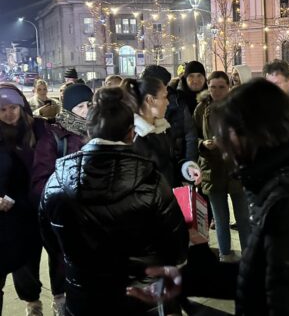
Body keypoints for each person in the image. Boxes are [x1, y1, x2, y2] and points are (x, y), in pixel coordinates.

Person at [127, 78, 289, 315]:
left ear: (251, 134)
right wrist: (188, 280)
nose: (225, 151)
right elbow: (262, 278)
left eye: (226, 137)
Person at [39, 87, 189, 316]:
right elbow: (176, 247)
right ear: (131, 133)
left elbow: (51, 241)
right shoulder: (151, 180)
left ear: (88, 130)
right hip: (140, 299)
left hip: (83, 300)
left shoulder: (57, 180)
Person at [28, 83, 94, 315]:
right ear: (67, 109)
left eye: (89, 104)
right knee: (61, 261)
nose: (86, 110)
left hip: (91, 216)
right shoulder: (53, 136)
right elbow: (40, 182)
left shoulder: (97, 131)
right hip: (64, 215)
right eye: (80, 106)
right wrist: (64, 199)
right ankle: (59, 299)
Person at [0, 84, 47, 316]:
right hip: (6, 211)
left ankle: (36, 303)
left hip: (33, 208)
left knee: (30, 262)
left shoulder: (37, 128)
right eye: (2, 110)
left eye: (13, 108)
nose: (9, 114)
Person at [194, 71, 250, 262]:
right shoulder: (201, 108)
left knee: (243, 218)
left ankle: (248, 256)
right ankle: (225, 255)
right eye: (212, 87)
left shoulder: (239, 107)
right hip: (212, 168)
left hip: (236, 167)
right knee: (220, 219)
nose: (216, 91)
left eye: (221, 87)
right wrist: (203, 144)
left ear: (229, 87)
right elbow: (193, 136)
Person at [122, 77, 201, 188]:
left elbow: (170, 165)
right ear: (150, 100)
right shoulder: (132, 138)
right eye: (164, 97)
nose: (168, 102)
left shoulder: (161, 129)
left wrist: (187, 169)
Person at [141, 65, 198, 172]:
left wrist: (189, 166)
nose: (166, 102)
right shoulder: (132, 114)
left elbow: (190, 135)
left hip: (174, 166)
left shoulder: (177, 101)